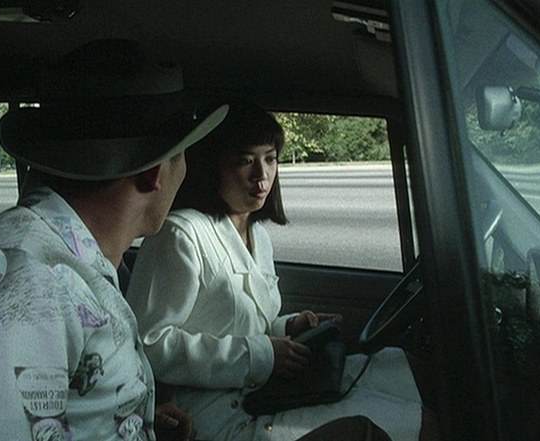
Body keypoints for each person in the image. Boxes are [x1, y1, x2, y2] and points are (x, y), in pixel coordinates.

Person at [0, 39, 228, 441]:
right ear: (153, 173)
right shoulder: (19, 282)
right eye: (182, 153)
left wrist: (128, 419)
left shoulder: (66, 267)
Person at [126, 99, 425, 441]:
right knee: (415, 422)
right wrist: (262, 355)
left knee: (401, 368)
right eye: (245, 161)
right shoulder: (181, 235)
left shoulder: (259, 236)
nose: (261, 174)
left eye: (270, 159)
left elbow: (246, 323)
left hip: (267, 388)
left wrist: (289, 326)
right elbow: (149, 346)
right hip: (220, 411)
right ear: (213, 167)